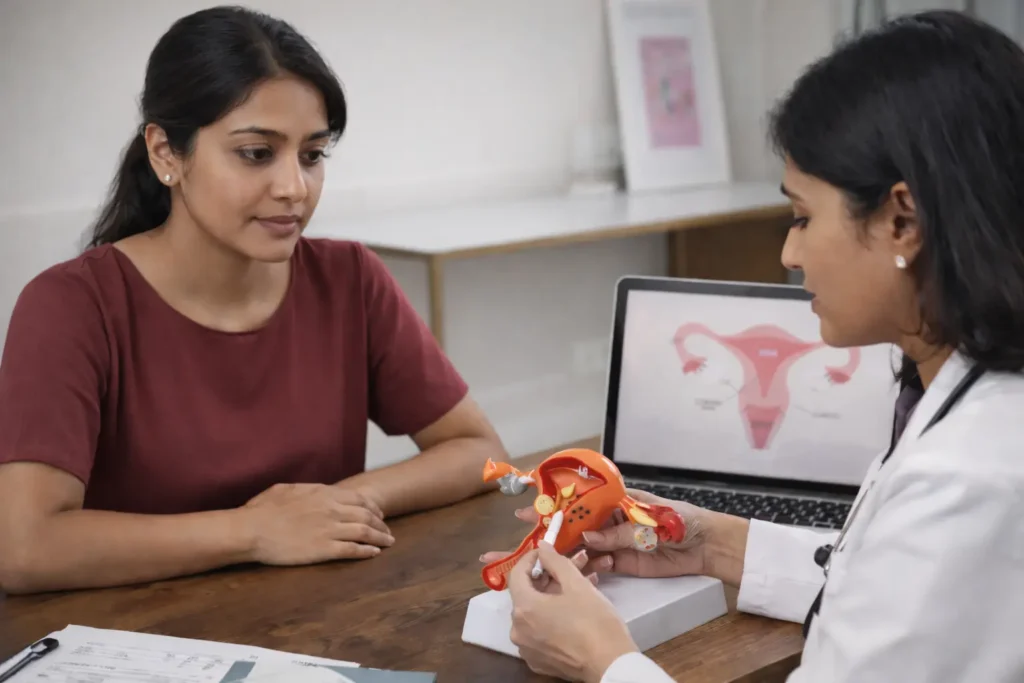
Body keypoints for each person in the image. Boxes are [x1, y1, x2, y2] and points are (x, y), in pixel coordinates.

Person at [484, 10, 1024, 682]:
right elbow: (897, 594)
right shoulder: (958, 395)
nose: (789, 252)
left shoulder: (968, 476)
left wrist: (602, 660)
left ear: (902, 220)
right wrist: (716, 545)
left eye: (802, 217)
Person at [0, 6, 506, 595]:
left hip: (319, 625)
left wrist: (340, 503)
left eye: (313, 155)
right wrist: (254, 533)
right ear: (166, 153)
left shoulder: (349, 277)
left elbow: (480, 451)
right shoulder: (70, 306)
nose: (294, 187)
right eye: (256, 153)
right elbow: (25, 547)